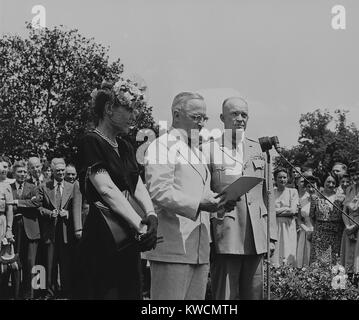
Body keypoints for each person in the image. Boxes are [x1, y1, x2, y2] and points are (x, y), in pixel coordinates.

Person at [144, 92, 232, 300]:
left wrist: (220, 201)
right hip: (173, 246)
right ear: (176, 114)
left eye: (204, 118)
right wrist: (200, 204)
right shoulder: (161, 145)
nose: (201, 123)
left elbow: (200, 192)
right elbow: (159, 191)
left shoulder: (197, 152)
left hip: (198, 249)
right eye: (196, 117)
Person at [75, 80, 159, 299]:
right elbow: (107, 190)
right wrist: (140, 226)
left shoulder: (125, 146)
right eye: (129, 109)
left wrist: (150, 214)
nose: (134, 116)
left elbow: (136, 183)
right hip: (102, 237)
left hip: (128, 236)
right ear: (109, 108)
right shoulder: (90, 142)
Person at [201, 96, 276, 300]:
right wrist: (208, 238)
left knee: (254, 293)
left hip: (256, 235)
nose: (240, 119)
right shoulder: (208, 150)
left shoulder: (260, 150)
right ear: (222, 118)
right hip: (225, 234)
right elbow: (204, 194)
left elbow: (268, 195)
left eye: (244, 114)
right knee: (226, 296)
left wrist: (271, 235)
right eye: (234, 114)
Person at [37, 158, 82, 299]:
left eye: (63, 170)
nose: (61, 173)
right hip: (50, 231)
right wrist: (50, 213)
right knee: (50, 263)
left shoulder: (73, 186)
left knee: (66, 263)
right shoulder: (45, 186)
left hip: (66, 231)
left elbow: (78, 208)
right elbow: (38, 207)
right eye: (58, 170)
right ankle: (50, 292)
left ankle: (66, 291)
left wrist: (68, 213)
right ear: (53, 172)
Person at [9, 161, 40, 299]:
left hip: (31, 230)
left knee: (30, 263)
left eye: (24, 172)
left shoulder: (33, 187)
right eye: (19, 172)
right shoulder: (8, 188)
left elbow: (37, 203)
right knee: (15, 262)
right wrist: (27, 203)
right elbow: (6, 205)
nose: (22, 174)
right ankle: (15, 294)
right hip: (14, 230)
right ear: (14, 173)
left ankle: (29, 295)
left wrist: (17, 203)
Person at [309, 173, 344, 265]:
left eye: (333, 182)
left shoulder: (341, 198)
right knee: (318, 263)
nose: (331, 185)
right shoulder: (316, 197)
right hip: (320, 235)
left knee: (334, 262)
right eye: (328, 182)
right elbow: (311, 216)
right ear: (323, 182)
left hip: (336, 235)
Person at [271, 168, 298, 267]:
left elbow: (293, 210)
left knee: (288, 251)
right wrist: (286, 208)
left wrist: (275, 211)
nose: (282, 180)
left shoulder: (293, 192)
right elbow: (269, 211)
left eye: (284, 177)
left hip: (288, 226)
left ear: (288, 178)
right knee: (276, 253)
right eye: (279, 177)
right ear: (275, 179)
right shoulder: (271, 192)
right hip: (275, 226)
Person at [0, 162, 16, 298]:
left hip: (2, 223)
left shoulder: (7, 187)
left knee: (5, 260)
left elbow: (9, 209)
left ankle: (4, 291)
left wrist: (9, 229)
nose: (1, 170)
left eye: (4, 167)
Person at [296, 175, 317, 268]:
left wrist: (313, 230)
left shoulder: (321, 200)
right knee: (303, 256)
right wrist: (306, 229)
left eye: (313, 186)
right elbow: (299, 219)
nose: (311, 189)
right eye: (308, 186)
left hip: (317, 230)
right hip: (305, 231)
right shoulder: (302, 200)